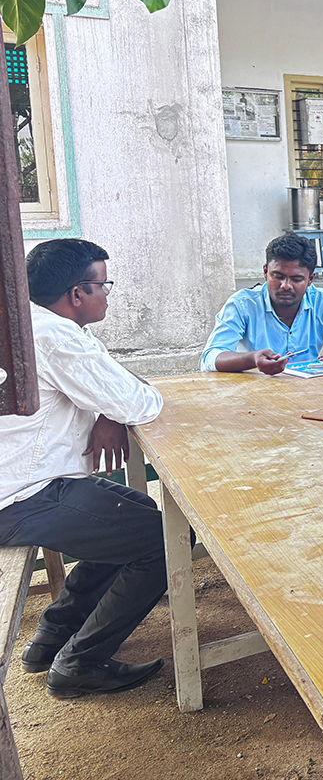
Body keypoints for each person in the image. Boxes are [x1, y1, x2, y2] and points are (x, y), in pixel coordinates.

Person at [0, 239, 170, 698]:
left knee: (134, 517)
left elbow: (112, 395)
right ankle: (79, 663)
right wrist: (115, 408)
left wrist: (108, 411)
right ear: (78, 293)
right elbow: (141, 400)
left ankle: (51, 638)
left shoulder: (30, 325)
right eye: (104, 284)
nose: (108, 294)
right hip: (23, 495)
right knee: (161, 542)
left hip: (26, 485)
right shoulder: (55, 337)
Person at [200, 233, 323, 374]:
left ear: (310, 279)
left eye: (296, 279)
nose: (285, 286)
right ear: (265, 272)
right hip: (255, 395)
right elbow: (210, 357)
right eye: (277, 276)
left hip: (309, 392)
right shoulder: (242, 305)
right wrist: (253, 359)